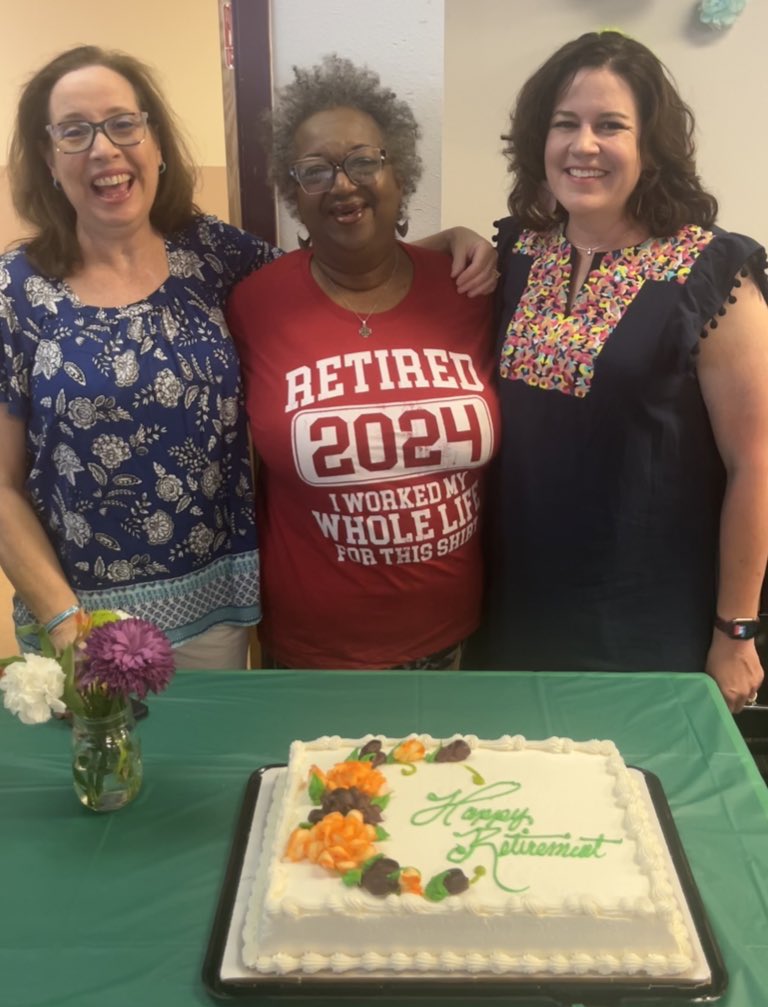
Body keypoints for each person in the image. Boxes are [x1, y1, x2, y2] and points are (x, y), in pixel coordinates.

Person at [0, 46, 496, 670]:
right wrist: (67, 624)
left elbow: (339, 266)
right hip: (81, 620)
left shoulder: (213, 257)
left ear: (155, 141)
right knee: (105, 768)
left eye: (124, 124)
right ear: (49, 157)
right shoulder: (15, 292)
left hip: (218, 612)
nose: (104, 149)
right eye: (75, 132)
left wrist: (449, 245)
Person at [465, 30, 768, 713]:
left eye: (611, 126)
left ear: (650, 146)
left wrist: (736, 630)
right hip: (516, 614)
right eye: (564, 124)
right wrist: (448, 238)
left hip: (649, 626)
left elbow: (756, 464)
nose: (583, 145)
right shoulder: (518, 252)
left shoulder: (714, 273)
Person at [227, 55, 500, 670]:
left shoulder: (469, 290)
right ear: (294, 193)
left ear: (398, 171)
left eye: (363, 161)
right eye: (315, 171)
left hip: (454, 641)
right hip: (313, 653)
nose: (343, 185)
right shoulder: (255, 305)